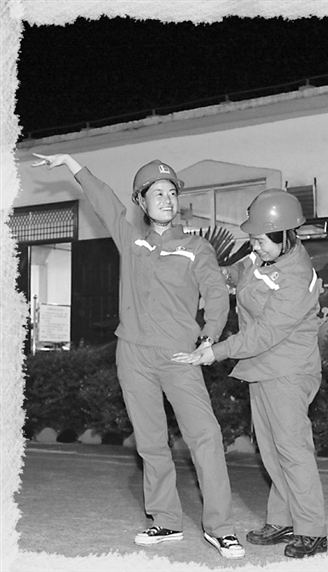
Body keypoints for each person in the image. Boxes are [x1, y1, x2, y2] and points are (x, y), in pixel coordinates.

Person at [31, 152, 245, 560]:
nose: (166, 199)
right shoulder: (132, 241)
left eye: (171, 192)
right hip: (133, 355)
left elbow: (217, 296)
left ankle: (221, 528)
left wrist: (209, 338)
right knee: (150, 441)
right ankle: (165, 519)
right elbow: (103, 202)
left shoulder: (195, 248)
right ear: (142, 202)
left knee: (206, 437)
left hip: (179, 356)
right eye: (157, 193)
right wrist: (72, 163)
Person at [173, 189, 327, 559]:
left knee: (293, 450)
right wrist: (218, 274)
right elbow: (242, 269)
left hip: (288, 371)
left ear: (284, 235)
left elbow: (264, 333)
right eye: (253, 239)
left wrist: (216, 351)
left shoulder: (297, 278)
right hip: (262, 368)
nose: (254, 246)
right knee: (272, 451)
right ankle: (282, 520)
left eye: (259, 240)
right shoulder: (264, 254)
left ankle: (312, 530)